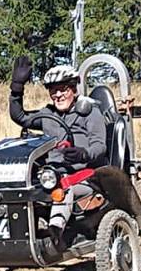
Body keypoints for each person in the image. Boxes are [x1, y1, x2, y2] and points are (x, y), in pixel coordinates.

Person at [9, 56, 107, 249]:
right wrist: (16, 88)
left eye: (63, 89)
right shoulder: (48, 115)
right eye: (53, 90)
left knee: (65, 188)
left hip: (85, 178)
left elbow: (100, 146)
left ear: (74, 89)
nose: (58, 94)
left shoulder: (89, 112)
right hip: (51, 176)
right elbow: (20, 116)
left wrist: (83, 154)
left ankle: (55, 233)